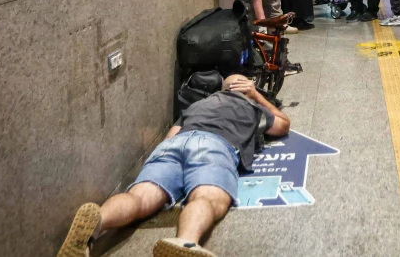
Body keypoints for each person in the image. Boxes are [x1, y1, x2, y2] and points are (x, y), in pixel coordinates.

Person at [58, 74, 290, 257]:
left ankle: (98, 222)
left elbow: (171, 136)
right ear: (245, 90)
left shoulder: (199, 104)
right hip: (213, 145)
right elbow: (282, 125)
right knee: (207, 199)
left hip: (175, 144)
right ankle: (185, 242)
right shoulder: (248, 105)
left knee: (139, 198)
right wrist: (257, 97)